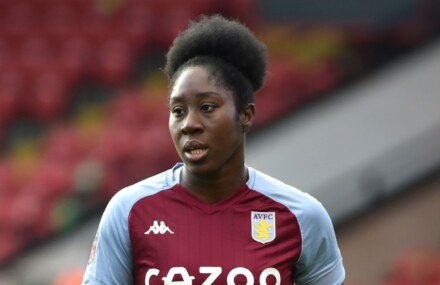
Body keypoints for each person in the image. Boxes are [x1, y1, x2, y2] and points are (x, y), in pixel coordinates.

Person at [82, 14, 345, 285]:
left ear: (245, 115)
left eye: (207, 107)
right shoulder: (128, 211)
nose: (189, 124)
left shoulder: (301, 216)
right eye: (178, 111)